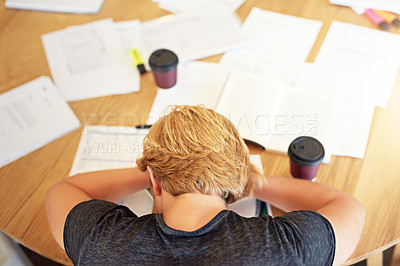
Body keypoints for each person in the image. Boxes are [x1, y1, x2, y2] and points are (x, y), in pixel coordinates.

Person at [45, 105, 365, 265]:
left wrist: (154, 170)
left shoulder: (102, 242)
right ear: (234, 181)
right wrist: (254, 181)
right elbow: (349, 208)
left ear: (155, 182)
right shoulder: (287, 249)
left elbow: (62, 192)